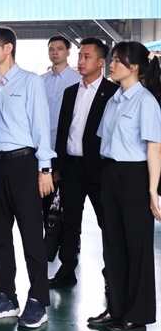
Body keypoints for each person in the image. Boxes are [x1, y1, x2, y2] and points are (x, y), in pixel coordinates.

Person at [0, 26, 55, 329]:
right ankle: (6, 296)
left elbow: (41, 126)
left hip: (24, 164)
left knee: (31, 236)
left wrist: (45, 169)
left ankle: (38, 299)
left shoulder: (30, 82)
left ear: (8, 48)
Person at [88, 41, 161, 331]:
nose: (112, 64)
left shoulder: (146, 102)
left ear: (134, 68)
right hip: (111, 174)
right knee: (113, 246)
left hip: (135, 176)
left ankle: (138, 313)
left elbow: (154, 148)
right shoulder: (114, 100)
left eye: (118, 60)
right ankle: (116, 309)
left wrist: (152, 191)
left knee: (137, 247)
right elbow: (103, 140)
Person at [50, 38, 117, 288]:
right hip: (71, 168)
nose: (81, 61)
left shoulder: (112, 93)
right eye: (79, 56)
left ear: (101, 62)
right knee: (70, 222)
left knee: (107, 222)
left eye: (87, 56)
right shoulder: (71, 92)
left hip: (99, 170)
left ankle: (112, 273)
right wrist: (57, 165)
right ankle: (66, 270)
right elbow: (62, 131)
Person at [41, 36, 82, 217]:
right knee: (43, 201)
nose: (55, 52)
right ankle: (48, 242)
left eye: (59, 48)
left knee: (68, 203)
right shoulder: (39, 81)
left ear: (68, 52)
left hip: (66, 148)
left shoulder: (78, 80)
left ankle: (69, 242)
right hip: (43, 148)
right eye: (51, 49)